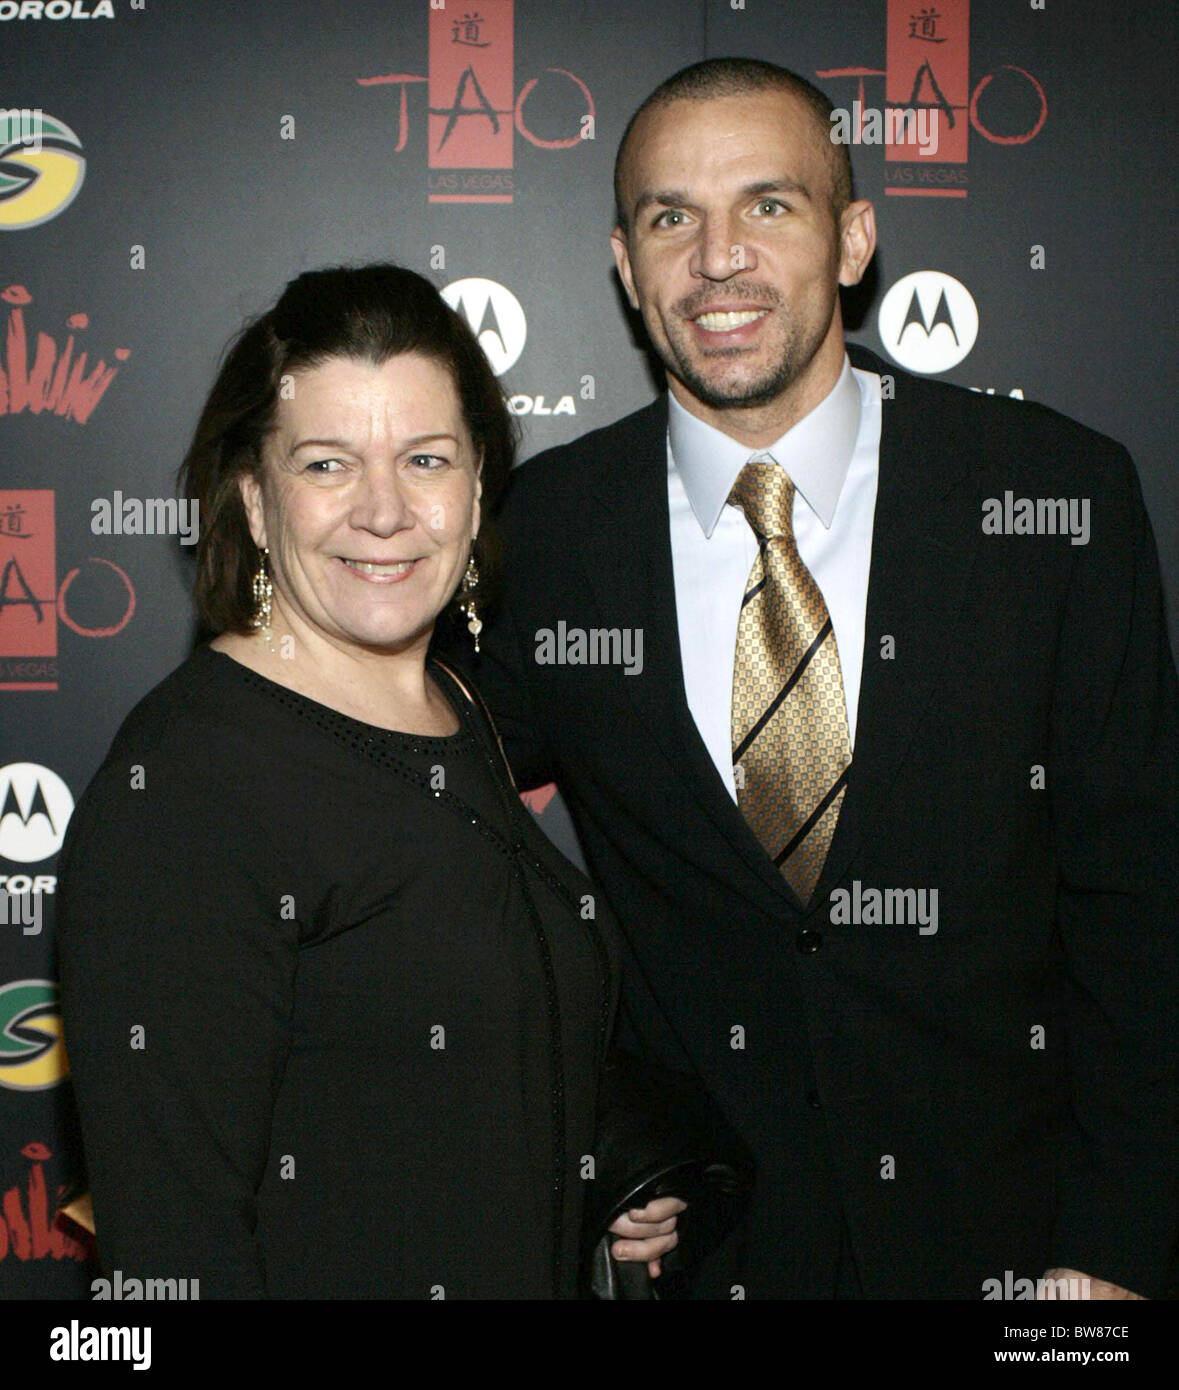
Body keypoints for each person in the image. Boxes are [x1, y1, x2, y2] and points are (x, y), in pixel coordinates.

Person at [449, 59, 1179, 1299]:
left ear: (853, 241)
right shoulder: (543, 533)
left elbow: (1141, 909)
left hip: (1023, 1252)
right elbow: (441, 851)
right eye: (673, 217)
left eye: (769, 205)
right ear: (626, 264)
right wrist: (598, 1132)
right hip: (718, 1253)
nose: (717, 257)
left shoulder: (1053, 497)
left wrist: (1114, 1248)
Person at [55, 264, 683, 1299]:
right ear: (256, 502)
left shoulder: (459, 709)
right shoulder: (188, 787)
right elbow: (175, 1251)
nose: (384, 511)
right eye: (328, 464)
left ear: (478, 485)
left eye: (425, 458)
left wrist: (597, 1173)